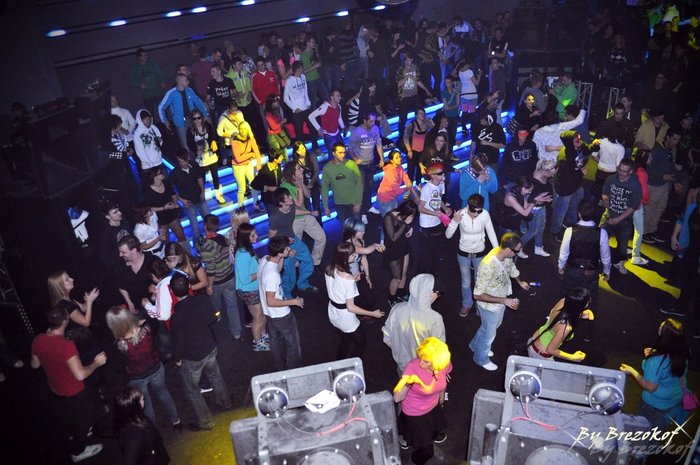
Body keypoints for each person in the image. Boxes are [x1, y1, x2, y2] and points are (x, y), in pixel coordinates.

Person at [31, 302, 108, 463]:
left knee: (75, 413)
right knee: (86, 415)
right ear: (65, 321)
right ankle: (77, 450)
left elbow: (34, 365)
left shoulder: (38, 339)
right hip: (74, 390)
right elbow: (80, 375)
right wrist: (96, 363)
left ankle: (80, 430)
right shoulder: (66, 345)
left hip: (55, 388)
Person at [170, 275, 232, 431]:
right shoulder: (202, 300)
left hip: (193, 358)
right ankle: (226, 403)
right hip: (210, 347)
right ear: (189, 286)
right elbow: (212, 319)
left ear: (172, 292)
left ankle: (206, 421)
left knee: (192, 390)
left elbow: (178, 342)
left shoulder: (176, 317)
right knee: (216, 377)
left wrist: (177, 359)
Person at [106, 306, 181, 430]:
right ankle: (176, 420)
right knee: (163, 393)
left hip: (136, 376)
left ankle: (154, 430)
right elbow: (156, 323)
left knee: (145, 404)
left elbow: (118, 365)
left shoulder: (119, 345)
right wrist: (141, 322)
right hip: (155, 368)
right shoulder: (146, 328)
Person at [470, 232, 530, 371]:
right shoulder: (488, 265)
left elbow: (511, 269)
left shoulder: (505, 255)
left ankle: (475, 346)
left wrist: (520, 282)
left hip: (500, 301)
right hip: (489, 306)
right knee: (489, 334)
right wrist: (504, 300)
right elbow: (477, 295)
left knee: (488, 328)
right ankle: (480, 358)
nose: (518, 253)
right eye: (517, 251)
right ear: (508, 249)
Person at [619, 318, 691, 430]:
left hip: (655, 404)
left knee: (643, 429)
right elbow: (670, 367)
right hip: (674, 397)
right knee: (660, 426)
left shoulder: (657, 361)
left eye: (662, 327)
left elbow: (650, 387)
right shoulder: (685, 351)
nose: (660, 326)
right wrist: (654, 353)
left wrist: (632, 371)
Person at [557, 200, 611, 342]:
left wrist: (561, 267)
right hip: (590, 274)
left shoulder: (570, 231)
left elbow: (563, 254)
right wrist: (607, 272)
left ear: (578, 213)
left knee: (566, 298)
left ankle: (561, 326)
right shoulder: (601, 233)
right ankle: (588, 332)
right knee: (590, 301)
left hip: (572, 271)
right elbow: (605, 257)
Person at [393, 337, 452, 464]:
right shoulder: (412, 367)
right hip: (415, 413)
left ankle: (429, 439)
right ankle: (413, 461)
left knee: (435, 431)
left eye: (426, 361)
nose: (421, 363)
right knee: (427, 453)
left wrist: (441, 398)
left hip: (433, 407)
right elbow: (397, 397)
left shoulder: (444, 364)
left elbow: (443, 379)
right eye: (420, 358)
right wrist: (408, 383)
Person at [324, 242, 384, 360]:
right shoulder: (348, 279)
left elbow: (337, 287)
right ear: (345, 258)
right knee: (361, 342)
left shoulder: (330, 266)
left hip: (333, 311)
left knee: (345, 340)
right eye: (352, 255)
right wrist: (373, 313)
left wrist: (352, 282)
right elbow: (351, 307)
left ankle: (340, 362)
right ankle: (352, 365)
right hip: (345, 317)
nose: (355, 255)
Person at [446, 193, 499, 317]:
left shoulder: (485, 214)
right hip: (463, 253)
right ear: (468, 206)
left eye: (479, 211)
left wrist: (497, 251)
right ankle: (467, 303)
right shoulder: (461, 214)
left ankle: (480, 305)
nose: (476, 214)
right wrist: (454, 221)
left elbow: (491, 232)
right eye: (473, 211)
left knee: (479, 281)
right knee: (465, 282)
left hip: (479, 253)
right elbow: (448, 235)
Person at [382, 275, 446, 374]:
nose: (437, 297)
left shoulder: (397, 309)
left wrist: (399, 351)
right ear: (428, 292)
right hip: (424, 369)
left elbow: (387, 337)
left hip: (403, 366)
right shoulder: (434, 319)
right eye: (437, 293)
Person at [257, 236, 305, 370]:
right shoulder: (272, 275)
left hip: (269, 314)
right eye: (287, 249)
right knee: (293, 345)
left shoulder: (265, 259)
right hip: (281, 315)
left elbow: (277, 269)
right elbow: (271, 301)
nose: (289, 250)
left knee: (276, 342)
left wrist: (284, 255)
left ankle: (280, 368)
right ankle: (294, 371)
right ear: (279, 252)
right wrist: (294, 301)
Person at [268, 188, 318, 296]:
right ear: (281, 202)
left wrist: (309, 212)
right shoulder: (275, 217)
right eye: (287, 197)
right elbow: (272, 238)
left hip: (293, 240)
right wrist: (286, 250)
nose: (291, 197)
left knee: (308, 260)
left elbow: (294, 211)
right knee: (290, 272)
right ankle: (286, 293)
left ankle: (303, 284)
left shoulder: (290, 206)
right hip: (283, 246)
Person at [199, 214, 242, 339]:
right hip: (229, 276)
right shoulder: (223, 238)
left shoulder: (207, 246)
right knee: (232, 305)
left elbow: (211, 269)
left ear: (205, 226)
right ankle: (237, 332)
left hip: (217, 282)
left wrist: (209, 286)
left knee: (216, 304)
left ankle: (217, 317)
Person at [278, 162, 327, 270]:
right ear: (292, 173)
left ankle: (315, 262)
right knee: (293, 247)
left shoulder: (297, 181)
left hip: (305, 216)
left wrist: (301, 183)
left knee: (321, 237)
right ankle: (294, 266)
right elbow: (298, 205)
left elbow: (308, 195)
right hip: (294, 221)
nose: (302, 170)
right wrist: (299, 187)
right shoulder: (285, 187)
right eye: (298, 168)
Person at [550, 131, 597, 242]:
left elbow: (587, 149)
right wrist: (581, 172)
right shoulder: (564, 157)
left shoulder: (580, 146)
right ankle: (555, 231)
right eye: (575, 139)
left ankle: (571, 224)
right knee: (560, 211)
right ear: (569, 143)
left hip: (577, 184)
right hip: (565, 188)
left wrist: (594, 146)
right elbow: (565, 174)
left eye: (578, 136)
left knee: (575, 206)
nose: (578, 139)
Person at [600, 158, 642, 275]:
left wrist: (618, 219)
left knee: (623, 247)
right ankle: (599, 259)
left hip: (624, 219)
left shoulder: (635, 185)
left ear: (630, 172)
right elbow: (605, 193)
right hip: (609, 214)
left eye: (624, 171)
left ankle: (619, 262)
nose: (621, 173)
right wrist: (606, 200)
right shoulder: (611, 179)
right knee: (600, 239)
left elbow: (633, 207)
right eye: (620, 169)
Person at [527, 288, 591, 361]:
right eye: (587, 302)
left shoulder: (563, 301)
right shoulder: (565, 327)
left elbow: (566, 312)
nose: (589, 302)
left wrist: (580, 314)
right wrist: (573, 357)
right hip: (540, 356)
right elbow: (551, 350)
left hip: (533, 341)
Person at [644, 127, 683, 244]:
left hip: (664, 185)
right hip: (653, 185)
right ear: (667, 137)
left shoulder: (671, 150)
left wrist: (675, 181)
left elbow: (671, 167)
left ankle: (651, 230)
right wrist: (662, 175)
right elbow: (648, 170)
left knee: (660, 208)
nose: (676, 142)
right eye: (674, 139)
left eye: (678, 140)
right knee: (650, 209)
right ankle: (644, 231)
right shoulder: (656, 150)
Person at [234, 223, 269, 351]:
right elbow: (245, 279)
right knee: (258, 317)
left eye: (255, 233)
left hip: (254, 288)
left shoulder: (247, 249)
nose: (256, 236)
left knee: (262, 314)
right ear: (244, 237)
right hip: (249, 291)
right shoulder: (242, 255)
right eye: (252, 235)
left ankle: (262, 335)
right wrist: (260, 270)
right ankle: (257, 342)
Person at [113, 387, 170, 465]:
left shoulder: (138, 417)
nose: (144, 400)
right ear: (134, 406)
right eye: (141, 400)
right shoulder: (134, 436)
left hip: (158, 455)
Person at [169, 149, 210, 243]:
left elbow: (199, 178)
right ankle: (198, 245)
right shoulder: (174, 173)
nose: (182, 163)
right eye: (180, 161)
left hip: (200, 198)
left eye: (184, 161)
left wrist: (203, 191)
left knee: (209, 221)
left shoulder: (195, 165)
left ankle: (212, 241)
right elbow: (171, 189)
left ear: (187, 158)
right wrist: (181, 200)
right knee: (195, 227)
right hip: (188, 202)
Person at [349, 113, 384, 222]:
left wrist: (382, 159)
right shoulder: (357, 132)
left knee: (369, 186)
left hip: (371, 162)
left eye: (374, 121)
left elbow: (378, 144)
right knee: (362, 189)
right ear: (365, 121)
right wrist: (355, 158)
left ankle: (368, 207)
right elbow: (350, 148)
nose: (373, 123)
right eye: (370, 121)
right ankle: (362, 212)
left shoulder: (375, 129)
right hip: (361, 165)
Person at [418, 161, 453, 273]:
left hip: (436, 220)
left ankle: (435, 270)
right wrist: (436, 214)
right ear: (432, 176)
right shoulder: (426, 189)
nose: (443, 175)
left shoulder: (441, 185)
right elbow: (420, 208)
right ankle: (426, 273)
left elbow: (438, 199)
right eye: (440, 173)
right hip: (427, 223)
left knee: (436, 247)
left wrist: (445, 208)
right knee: (427, 251)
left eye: (443, 173)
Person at [343, 218, 385, 309]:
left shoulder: (360, 240)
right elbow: (367, 251)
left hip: (358, 274)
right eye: (361, 231)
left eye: (364, 230)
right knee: (357, 300)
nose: (364, 232)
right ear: (352, 231)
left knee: (369, 298)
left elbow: (363, 258)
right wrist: (375, 245)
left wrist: (367, 275)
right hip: (348, 277)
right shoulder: (348, 245)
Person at [158, 73, 209, 149]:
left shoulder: (189, 90)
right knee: (184, 144)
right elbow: (161, 107)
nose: (188, 82)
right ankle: (188, 155)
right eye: (186, 80)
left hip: (192, 120)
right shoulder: (171, 93)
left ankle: (201, 154)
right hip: (180, 123)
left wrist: (205, 114)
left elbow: (198, 102)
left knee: (199, 140)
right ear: (180, 82)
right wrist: (165, 121)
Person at [142, 166, 187, 249]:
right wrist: (163, 208)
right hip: (159, 219)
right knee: (166, 242)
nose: (163, 174)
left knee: (181, 237)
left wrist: (174, 204)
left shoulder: (165, 183)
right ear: (154, 176)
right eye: (160, 173)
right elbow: (148, 208)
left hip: (171, 214)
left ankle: (185, 252)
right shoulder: (147, 189)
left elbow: (173, 194)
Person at [519, 159, 556, 257]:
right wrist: (541, 200)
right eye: (551, 174)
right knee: (533, 231)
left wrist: (544, 200)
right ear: (545, 171)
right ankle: (517, 248)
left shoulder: (542, 175)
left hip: (541, 208)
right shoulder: (532, 182)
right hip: (534, 210)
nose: (552, 176)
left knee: (541, 228)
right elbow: (527, 201)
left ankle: (538, 247)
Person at [187, 109, 224, 205]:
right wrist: (196, 150)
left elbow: (213, 137)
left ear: (202, 118)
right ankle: (202, 194)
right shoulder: (190, 130)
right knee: (201, 178)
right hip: (201, 158)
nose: (197, 120)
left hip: (211, 154)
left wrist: (212, 145)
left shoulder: (207, 126)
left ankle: (218, 194)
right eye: (194, 119)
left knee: (215, 176)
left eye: (198, 118)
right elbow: (189, 144)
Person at [117, 236, 158, 317]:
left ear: (134, 250)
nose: (120, 255)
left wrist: (157, 293)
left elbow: (164, 280)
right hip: (136, 309)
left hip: (154, 306)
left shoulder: (152, 261)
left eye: (123, 252)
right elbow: (121, 285)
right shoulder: (121, 265)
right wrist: (129, 302)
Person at [322, 142, 363, 224]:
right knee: (345, 228)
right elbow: (324, 188)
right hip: (339, 204)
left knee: (357, 227)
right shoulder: (327, 168)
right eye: (340, 153)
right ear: (333, 153)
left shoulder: (351, 164)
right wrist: (325, 207)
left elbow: (359, 184)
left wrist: (358, 203)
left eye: (344, 152)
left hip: (353, 202)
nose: (343, 155)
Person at [231, 110, 263, 209]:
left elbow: (257, 153)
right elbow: (239, 158)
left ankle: (256, 203)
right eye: (241, 129)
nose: (242, 131)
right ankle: (240, 207)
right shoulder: (235, 141)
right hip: (238, 167)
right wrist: (250, 154)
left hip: (248, 164)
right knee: (242, 188)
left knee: (254, 185)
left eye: (244, 129)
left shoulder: (251, 138)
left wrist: (259, 166)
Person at [377, 149, 417, 217]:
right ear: (391, 161)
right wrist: (407, 188)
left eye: (400, 156)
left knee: (394, 216)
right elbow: (397, 191)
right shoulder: (391, 173)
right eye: (397, 158)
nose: (400, 158)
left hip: (392, 197)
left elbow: (405, 177)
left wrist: (409, 184)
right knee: (389, 218)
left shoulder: (399, 167)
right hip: (385, 199)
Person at [403, 108, 435, 185]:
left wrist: (431, 122)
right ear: (416, 115)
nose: (423, 115)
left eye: (424, 113)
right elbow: (405, 137)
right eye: (420, 113)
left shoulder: (426, 124)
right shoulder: (412, 124)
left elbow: (434, 130)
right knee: (411, 171)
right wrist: (409, 150)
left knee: (420, 170)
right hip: (413, 151)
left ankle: (418, 184)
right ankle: (409, 187)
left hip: (423, 151)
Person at [130, 49, 166, 117]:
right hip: (147, 94)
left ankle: (166, 122)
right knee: (150, 112)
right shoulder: (136, 68)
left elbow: (160, 73)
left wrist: (162, 81)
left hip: (157, 91)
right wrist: (139, 84)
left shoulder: (152, 64)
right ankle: (152, 123)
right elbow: (133, 80)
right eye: (144, 55)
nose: (146, 56)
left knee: (162, 109)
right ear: (139, 57)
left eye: (146, 55)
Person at [309, 89, 345, 153]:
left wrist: (343, 127)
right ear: (332, 97)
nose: (340, 97)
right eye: (337, 96)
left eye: (340, 96)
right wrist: (319, 129)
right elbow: (311, 116)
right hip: (328, 135)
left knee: (342, 150)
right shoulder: (324, 107)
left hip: (337, 133)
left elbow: (339, 118)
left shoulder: (339, 106)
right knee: (333, 154)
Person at [291, 141, 322, 216]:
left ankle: (319, 221)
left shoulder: (311, 156)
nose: (302, 151)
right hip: (302, 186)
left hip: (314, 183)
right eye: (299, 150)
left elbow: (316, 171)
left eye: (303, 148)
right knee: (307, 207)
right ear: (296, 151)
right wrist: (303, 186)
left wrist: (311, 183)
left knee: (317, 206)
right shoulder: (295, 161)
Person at [631, 151, 650, 265]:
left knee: (626, 227)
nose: (651, 160)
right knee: (639, 230)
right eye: (650, 158)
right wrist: (645, 201)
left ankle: (623, 248)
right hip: (637, 205)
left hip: (627, 203)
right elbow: (644, 192)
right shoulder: (642, 172)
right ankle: (636, 256)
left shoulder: (633, 169)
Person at [457, 60, 481, 140]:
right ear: (466, 64)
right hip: (472, 94)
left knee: (464, 112)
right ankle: (471, 129)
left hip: (464, 94)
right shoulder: (469, 72)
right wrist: (479, 76)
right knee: (472, 113)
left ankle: (464, 128)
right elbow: (476, 83)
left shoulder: (460, 72)